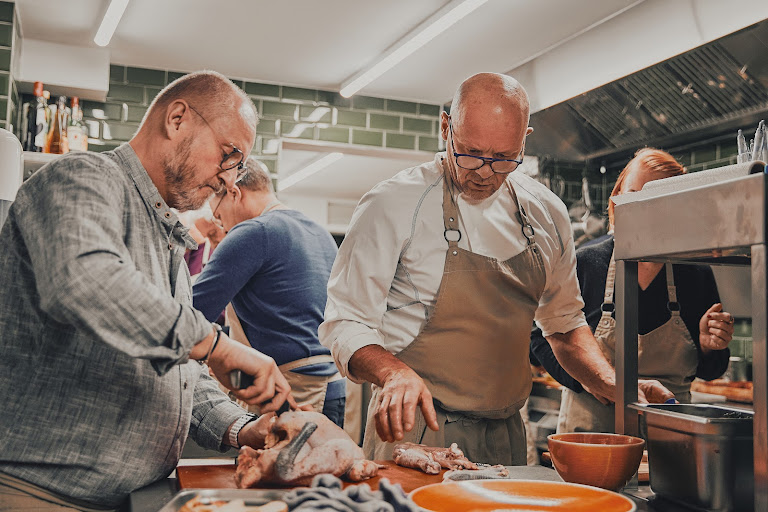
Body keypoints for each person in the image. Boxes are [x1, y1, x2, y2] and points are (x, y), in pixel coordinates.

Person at [319, 73, 673, 466]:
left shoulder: (547, 211)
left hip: (506, 433)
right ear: (444, 128)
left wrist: (616, 385)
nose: (485, 172)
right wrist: (392, 373)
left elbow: (564, 325)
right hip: (418, 432)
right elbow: (344, 321)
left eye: (504, 159)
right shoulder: (392, 204)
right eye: (470, 153)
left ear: (525, 139)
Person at [0, 71, 297, 511]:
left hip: (137, 495)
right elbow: (87, 281)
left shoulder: (169, 243)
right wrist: (215, 346)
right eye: (229, 154)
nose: (229, 180)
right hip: (43, 494)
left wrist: (243, 428)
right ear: (177, 118)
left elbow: (180, 375)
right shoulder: (80, 178)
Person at [530, 148, 734, 433]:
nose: (640, 207)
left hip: (670, 440)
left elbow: (711, 370)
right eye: (632, 193)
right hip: (592, 435)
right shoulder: (586, 262)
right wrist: (589, 380)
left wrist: (709, 347)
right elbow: (539, 338)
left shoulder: (695, 275)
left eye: (655, 199)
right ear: (617, 199)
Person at [194, 157, 345, 427]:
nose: (222, 226)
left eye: (218, 216)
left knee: (269, 468)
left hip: (289, 390)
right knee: (322, 468)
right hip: (331, 385)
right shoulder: (320, 234)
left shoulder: (252, 232)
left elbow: (192, 311)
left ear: (234, 193)